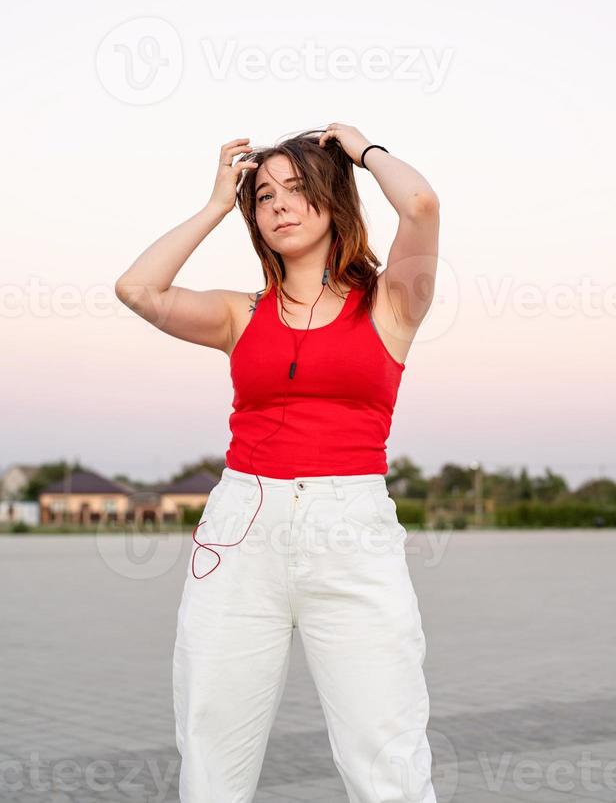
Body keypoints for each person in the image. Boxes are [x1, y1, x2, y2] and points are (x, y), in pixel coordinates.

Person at [115, 123, 441, 803]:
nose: (281, 206)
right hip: (241, 528)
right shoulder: (241, 313)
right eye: (264, 197)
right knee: (212, 745)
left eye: (298, 189)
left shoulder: (390, 304)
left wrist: (361, 150)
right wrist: (214, 203)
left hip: (350, 531)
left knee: (387, 754)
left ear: (333, 199)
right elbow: (138, 289)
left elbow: (422, 206)